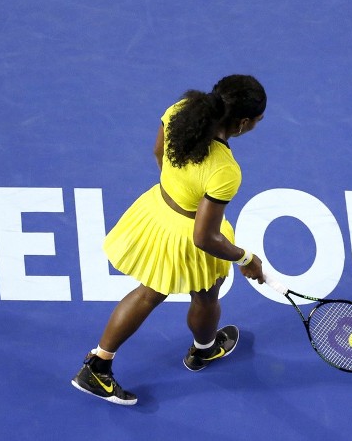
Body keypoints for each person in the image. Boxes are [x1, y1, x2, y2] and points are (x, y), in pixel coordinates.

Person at [71, 74, 267, 405]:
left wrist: (179, 184)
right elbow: (204, 237)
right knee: (205, 295)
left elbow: (159, 152)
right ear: (244, 122)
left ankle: (99, 363)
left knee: (150, 291)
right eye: (257, 121)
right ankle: (203, 351)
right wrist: (246, 259)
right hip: (186, 236)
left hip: (157, 209)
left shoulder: (181, 110)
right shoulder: (224, 170)